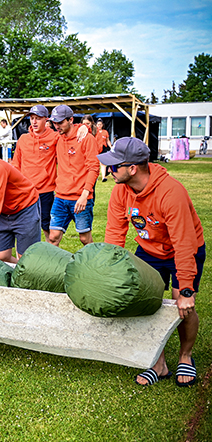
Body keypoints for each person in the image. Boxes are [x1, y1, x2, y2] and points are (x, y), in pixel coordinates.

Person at [100, 137, 205, 388]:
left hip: (183, 249)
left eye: (115, 166)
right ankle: (158, 363)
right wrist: (108, 270)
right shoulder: (120, 191)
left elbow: (183, 243)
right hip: (149, 250)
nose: (110, 171)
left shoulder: (171, 193)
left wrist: (187, 289)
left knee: (183, 306)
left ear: (132, 168)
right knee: (146, 302)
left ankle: (185, 356)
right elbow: (115, 233)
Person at [47, 105, 99, 247]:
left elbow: (94, 168)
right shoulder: (57, 137)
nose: (56, 126)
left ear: (70, 120)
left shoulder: (86, 139)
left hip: (80, 197)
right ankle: (53, 268)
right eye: (54, 122)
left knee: (84, 238)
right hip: (60, 196)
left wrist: (85, 194)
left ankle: (94, 266)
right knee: (53, 237)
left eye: (60, 122)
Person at [12, 105, 58, 243]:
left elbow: (70, 133)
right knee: (27, 224)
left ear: (46, 120)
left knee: (46, 225)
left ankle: (50, 252)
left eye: (38, 118)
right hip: (26, 191)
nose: (34, 122)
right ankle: (32, 252)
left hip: (46, 190)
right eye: (32, 118)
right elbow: (16, 164)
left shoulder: (55, 138)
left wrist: (84, 127)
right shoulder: (23, 139)